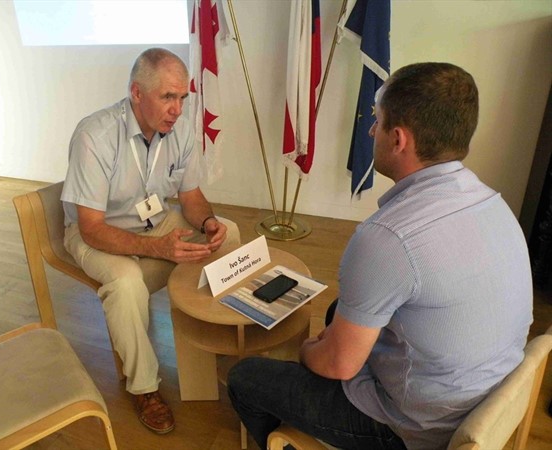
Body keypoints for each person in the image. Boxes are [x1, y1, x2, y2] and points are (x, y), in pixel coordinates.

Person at [227, 62, 533, 449]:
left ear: (398, 139)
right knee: (339, 310)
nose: (372, 130)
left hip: (415, 428)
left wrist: (306, 352)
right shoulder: (494, 203)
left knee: (246, 378)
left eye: (378, 120)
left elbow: (338, 365)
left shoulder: (387, 238)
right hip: (484, 396)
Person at [61, 48, 240, 434]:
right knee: (126, 283)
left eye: (183, 97)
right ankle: (144, 387)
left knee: (230, 233)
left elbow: (191, 197)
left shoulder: (181, 129)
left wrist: (208, 221)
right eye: (168, 97)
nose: (178, 109)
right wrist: (157, 248)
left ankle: (214, 337)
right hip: (98, 233)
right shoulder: (94, 136)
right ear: (137, 93)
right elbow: (90, 227)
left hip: (154, 222)